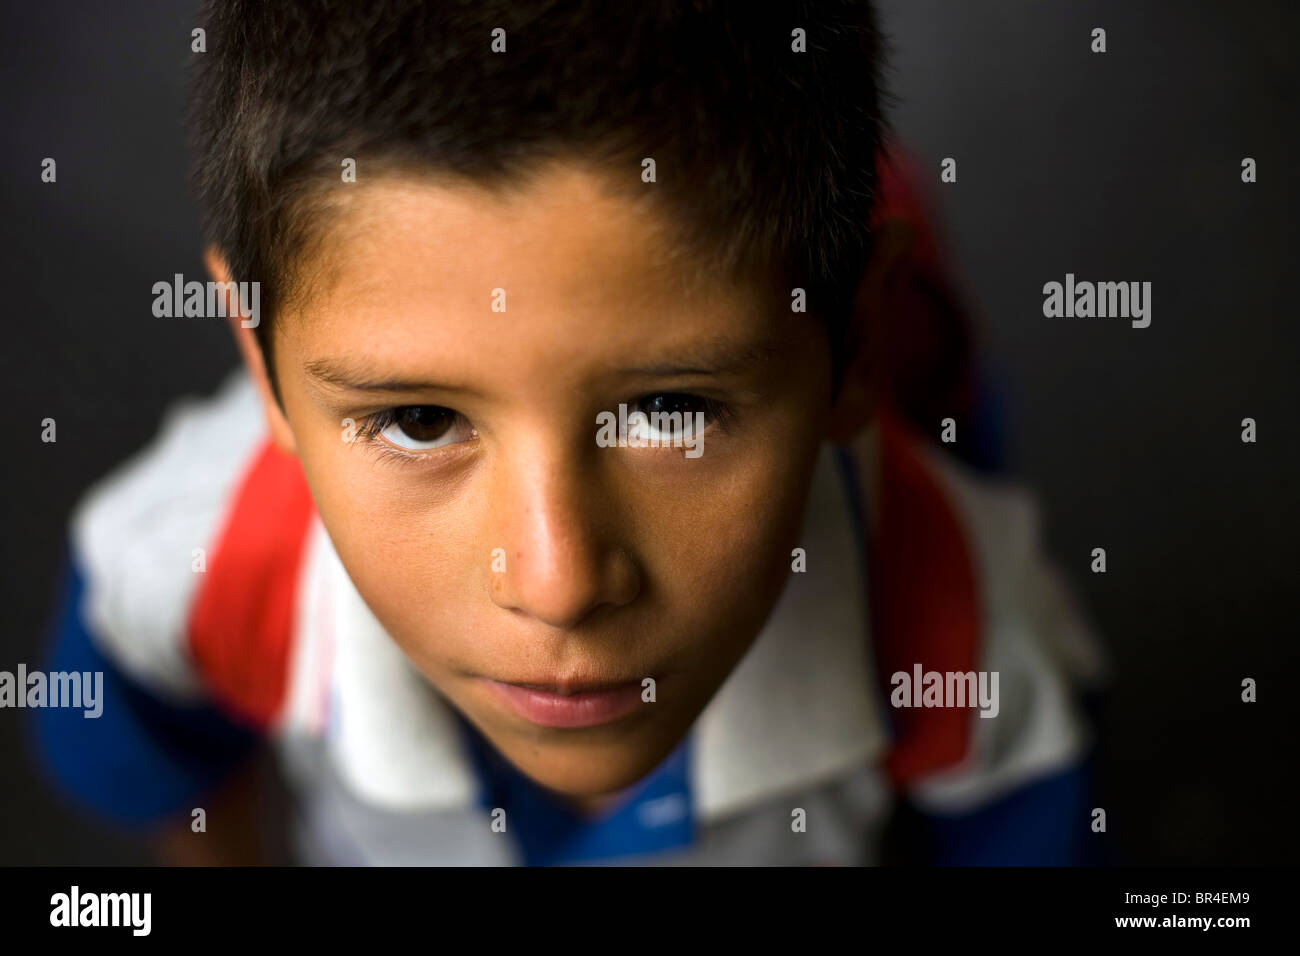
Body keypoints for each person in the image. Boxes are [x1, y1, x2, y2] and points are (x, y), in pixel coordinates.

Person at [32, 0, 1105, 865]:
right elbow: (166, 770)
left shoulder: (964, 630)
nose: (556, 582)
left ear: (851, 350)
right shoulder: (183, 569)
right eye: (417, 419)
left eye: (671, 409)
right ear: (261, 360)